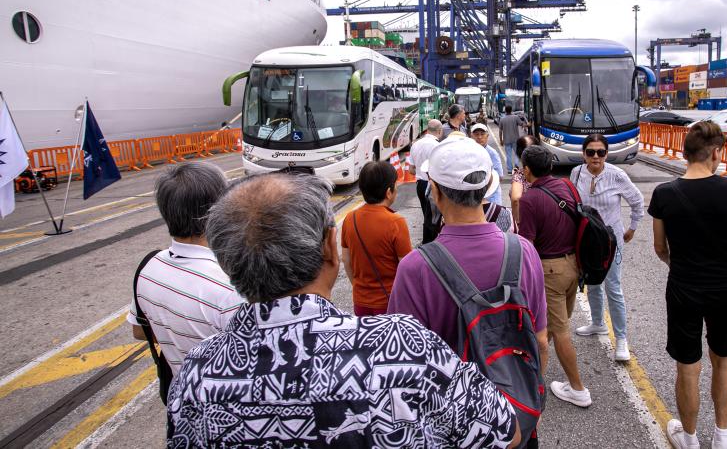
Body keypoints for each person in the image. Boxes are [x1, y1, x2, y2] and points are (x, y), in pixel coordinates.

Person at [168, 173, 521, 448]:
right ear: (329, 248)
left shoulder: (195, 375)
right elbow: (504, 432)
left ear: (228, 264)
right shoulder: (401, 344)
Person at [648, 121, 727, 449]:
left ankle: (688, 437)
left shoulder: (664, 194)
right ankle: (723, 437)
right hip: (726, 288)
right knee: (723, 359)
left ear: (685, 154)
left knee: (688, 364)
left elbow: (659, 248)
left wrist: (681, 265)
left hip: (683, 287)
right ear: (715, 153)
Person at [389, 137, 546, 354]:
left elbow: (404, 355)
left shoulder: (414, 268)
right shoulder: (525, 252)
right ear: (487, 187)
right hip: (510, 386)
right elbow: (540, 340)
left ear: (434, 190)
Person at [128, 162, 242, 376]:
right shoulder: (230, 287)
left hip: (179, 395)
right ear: (218, 210)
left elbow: (139, 330)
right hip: (221, 403)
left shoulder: (149, 267)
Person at [518, 144, 591, 408]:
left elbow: (526, 244)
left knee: (560, 331)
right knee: (552, 323)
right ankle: (532, 362)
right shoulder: (567, 186)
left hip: (550, 270)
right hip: (574, 265)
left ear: (526, 169)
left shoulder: (530, 199)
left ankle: (578, 388)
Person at [571, 134, 645, 362]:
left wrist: (632, 227)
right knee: (593, 284)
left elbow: (637, 200)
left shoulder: (616, 174)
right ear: (584, 154)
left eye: (600, 152)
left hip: (611, 241)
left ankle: (621, 339)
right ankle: (597, 323)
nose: (595, 157)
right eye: (591, 152)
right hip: (587, 241)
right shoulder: (577, 173)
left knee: (613, 288)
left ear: (606, 153)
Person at [340, 161, 412, 316]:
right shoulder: (396, 222)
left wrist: (359, 287)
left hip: (360, 301)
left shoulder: (349, 219)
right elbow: (406, 267)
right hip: (389, 302)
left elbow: (346, 260)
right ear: (388, 192)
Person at [410, 119, 442, 243]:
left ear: (427, 130)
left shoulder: (415, 144)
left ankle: (428, 242)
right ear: (439, 131)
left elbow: (411, 170)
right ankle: (433, 242)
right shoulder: (437, 146)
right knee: (435, 217)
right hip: (432, 185)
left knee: (426, 215)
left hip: (420, 185)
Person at [470, 123, 504, 205]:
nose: (479, 137)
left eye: (482, 134)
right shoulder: (469, 152)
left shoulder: (492, 153)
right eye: (476, 134)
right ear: (471, 136)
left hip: (491, 197)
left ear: (487, 136)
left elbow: (499, 176)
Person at [510, 134, 540, 226]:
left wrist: (518, 222)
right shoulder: (544, 170)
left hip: (527, 224)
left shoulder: (519, 175)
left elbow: (515, 199)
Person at [499, 105, 525, 172]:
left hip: (506, 140)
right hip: (515, 139)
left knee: (508, 155)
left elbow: (500, 131)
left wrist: (501, 140)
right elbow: (522, 124)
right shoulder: (515, 117)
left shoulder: (502, 119)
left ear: (505, 111)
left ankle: (510, 170)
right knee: (517, 153)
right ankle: (516, 165)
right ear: (511, 110)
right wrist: (528, 124)